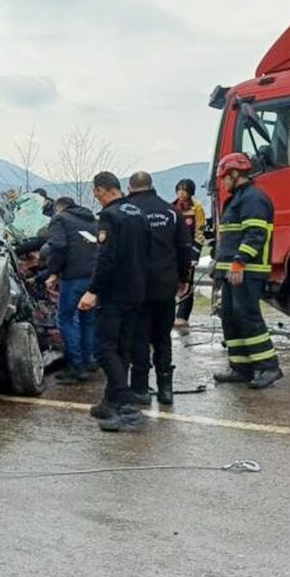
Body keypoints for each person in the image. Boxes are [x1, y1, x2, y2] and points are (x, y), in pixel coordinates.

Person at [77, 172, 149, 431]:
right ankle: (110, 401)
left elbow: (105, 258)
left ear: (102, 190)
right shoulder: (137, 213)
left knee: (103, 348)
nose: (97, 199)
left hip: (115, 293)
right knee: (122, 348)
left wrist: (93, 290)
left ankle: (128, 407)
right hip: (137, 291)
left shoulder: (109, 216)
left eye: (96, 194)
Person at [212, 153, 282, 389]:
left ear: (234, 174)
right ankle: (241, 366)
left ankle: (268, 366)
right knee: (231, 317)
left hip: (247, 270)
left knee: (247, 316)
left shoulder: (253, 198)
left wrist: (239, 262)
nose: (222, 182)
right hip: (231, 270)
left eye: (223, 177)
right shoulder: (237, 199)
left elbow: (255, 234)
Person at [126, 172, 191, 406]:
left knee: (139, 338)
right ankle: (166, 390)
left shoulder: (126, 211)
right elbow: (185, 248)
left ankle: (141, 389)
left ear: (130, 187)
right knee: (163, 337)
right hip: (165, 285)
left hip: (135, 286)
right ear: (151, 186)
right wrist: (184, 278)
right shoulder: (171, 212)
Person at [44, 196, 99, 382]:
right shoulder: (92, 220)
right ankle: (89, 360)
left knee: (66, 319)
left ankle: (75, 367)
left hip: (73, 277)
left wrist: (53, 273)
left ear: (58, 208)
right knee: (88, 319)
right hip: (93, 278)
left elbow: (58, 246)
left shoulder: (60, 219)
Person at [172, 178, 207, 335]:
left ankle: (183, 316)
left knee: (187, 283)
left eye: (184, 190)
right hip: (174, 252)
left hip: (189, 250)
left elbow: (200, 231)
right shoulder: (172, 207)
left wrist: (196, 252)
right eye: (179, 190)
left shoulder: (197, 208)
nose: (181, 193)